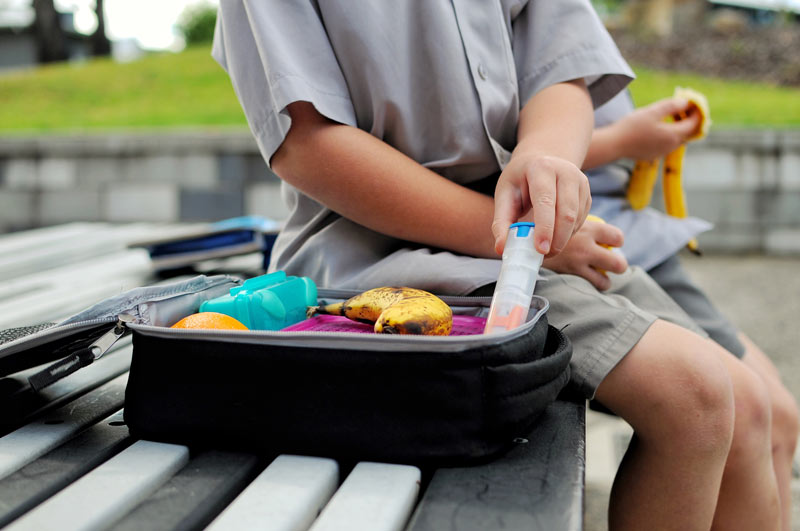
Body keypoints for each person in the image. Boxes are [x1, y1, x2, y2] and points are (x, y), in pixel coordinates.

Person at [212, 1, 782, 528]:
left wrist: (543, 161)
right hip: (384, 260)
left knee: (752, 407)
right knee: (695, 396)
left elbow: (562, 73)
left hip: (536, 238)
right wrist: (510, 231)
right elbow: (308, 145)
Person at [584, 89, 800, 531]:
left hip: (627, 236)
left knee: (777, 414)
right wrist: (624, 140)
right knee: (734, 408)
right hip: (587, 241)